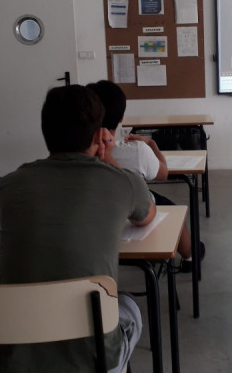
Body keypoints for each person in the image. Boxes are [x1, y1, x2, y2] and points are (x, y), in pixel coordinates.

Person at [0, 85, 155, 373]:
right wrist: (107, 159)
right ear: (99, 137)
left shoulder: (9, 186)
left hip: (9, 368)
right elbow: (147, 216)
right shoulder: (122, 183)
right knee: (128, 304)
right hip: (93, 365)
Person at [87, 80, 204, 273]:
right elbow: (163, 173)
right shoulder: (137, 151)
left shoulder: (80, 154)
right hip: (135, 215)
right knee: (174, 210)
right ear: (121, 118)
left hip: (94, 221)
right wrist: (152, 145)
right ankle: (190, 256)